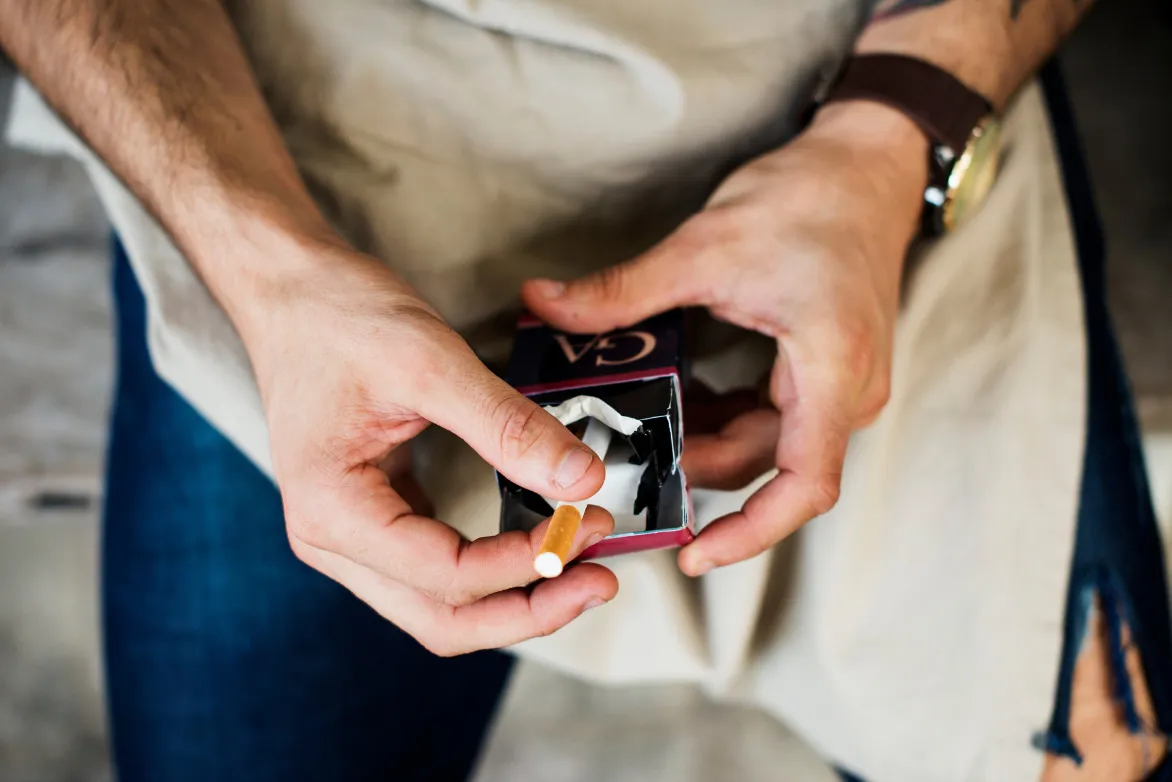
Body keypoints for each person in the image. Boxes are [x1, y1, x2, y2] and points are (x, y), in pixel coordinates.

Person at [2, 0, 1169, 779]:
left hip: (863, 147)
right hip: (285, 200)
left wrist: (897, 121)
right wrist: (262, 263)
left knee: (1069, 738)